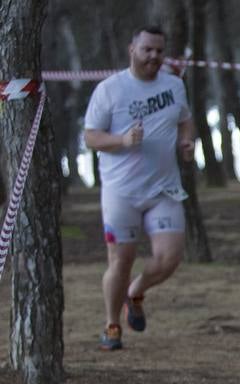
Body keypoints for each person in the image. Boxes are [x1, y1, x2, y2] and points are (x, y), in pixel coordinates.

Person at [82, 25, 196, 351]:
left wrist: (187, 140)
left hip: (164, 189)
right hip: (122, 192)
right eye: (147, 49)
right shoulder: (110, 89)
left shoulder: (174, 86)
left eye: (160, 50)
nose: (154, 56)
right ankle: (112, 324)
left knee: (169, 258)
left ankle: (136, 291)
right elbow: (90, 137)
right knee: (121, 260)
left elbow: (185, 119)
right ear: (132, 49)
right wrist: (121, 140)